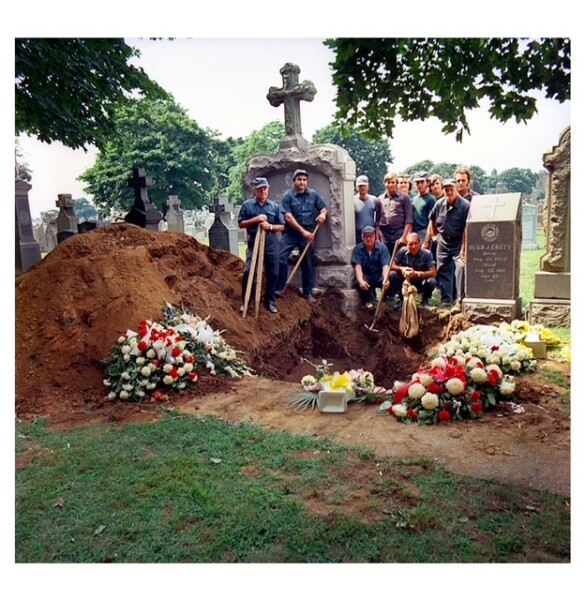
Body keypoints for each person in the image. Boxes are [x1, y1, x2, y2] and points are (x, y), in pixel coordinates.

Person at [276, 168, 328, 303]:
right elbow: (288, 217)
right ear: (294, 181)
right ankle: (280, 289)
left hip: (308, 233)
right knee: (280, 258)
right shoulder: (288, 196)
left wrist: (323, 214)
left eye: (304, 180)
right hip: (290, 233)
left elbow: (323, 208)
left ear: (307, 181)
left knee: (307, 262)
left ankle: (307, 293)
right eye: (299, 179)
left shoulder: (313, 194)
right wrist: (302, 231)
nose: (302, 182)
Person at [238, 177, 285, 314]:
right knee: (249, 271)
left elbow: (281, 226)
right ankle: (247, 301)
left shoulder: (274, 207)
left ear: (268, 188)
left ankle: (269, 301)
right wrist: (256, 219)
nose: (263, 191)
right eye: (260, 189)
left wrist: (269, 226)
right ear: (255, 190)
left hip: (270, 241)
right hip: (254, 240)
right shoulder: (247, 205)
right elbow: (241, 224)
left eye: (265, 188)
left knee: (274, 272)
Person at [424, 179, 470, 309]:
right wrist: (434, 235)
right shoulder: (439, 204)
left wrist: (463, 249)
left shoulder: (465, 206)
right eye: (446, 190)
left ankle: (460, 301)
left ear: (456, 189)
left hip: (458, 242)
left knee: (460, 268)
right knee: (443, 270)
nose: (449, 192)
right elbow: (432, 219)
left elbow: (467, 229)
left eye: (451, 189)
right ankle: (446, 300)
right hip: (443, 242)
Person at [389, 232, 437, 309]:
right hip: (405, 282)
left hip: (420, 283)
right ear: (406, 244)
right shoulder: (402, 251)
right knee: (392, 274)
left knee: (432, 281)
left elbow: (433, 272)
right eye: (410, 244)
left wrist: (417, 274)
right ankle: (402, 299)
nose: (413, 246)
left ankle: (425, 300)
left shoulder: (427, 253)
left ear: (420, 243)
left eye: (416, 243)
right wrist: (402, 269)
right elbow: (391, 265)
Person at [351, 225, 391, 309]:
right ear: (362, 237)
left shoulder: (382, 247)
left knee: (390, 278)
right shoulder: (358, 249)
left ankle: (384, 300)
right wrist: (361, 281)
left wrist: (385, 278)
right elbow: (358, 267)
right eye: (366, 236)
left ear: (374, 236)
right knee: (359, 282)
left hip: (379, 274)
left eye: (370, 236)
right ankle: (367, 300)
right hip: (367, 275)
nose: (368, 239)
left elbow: (385, 266)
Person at [377, 172, 414, 256]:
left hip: (399, 233)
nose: (390, 185)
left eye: (393, 182)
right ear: (385, 184)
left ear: (397, 184)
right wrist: (377, 238)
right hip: (384, 234)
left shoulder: (404, 197)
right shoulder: (380, 199)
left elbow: (409, 220)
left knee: (399, 258)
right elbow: (377, 221)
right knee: (385, 259)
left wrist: (404, 237)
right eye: (388, 182)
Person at [353, 174, 382, 242]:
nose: (362, 188)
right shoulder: (352, 201)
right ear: (356, 187)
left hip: (371, 233)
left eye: (364, 186)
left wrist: (377, 237)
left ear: (368, 187)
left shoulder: (374, 200)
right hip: (358, 235)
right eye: (360, 186)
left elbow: (378, 220)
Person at [411, 172, 436, 244]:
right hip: (414, 231)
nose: (419, 185)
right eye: (417, 182)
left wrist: (427, 239)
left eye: (422, 182)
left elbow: (432, 220)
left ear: (427, 183)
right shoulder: (413, 199)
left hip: (424, 231)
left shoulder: (431, 199)